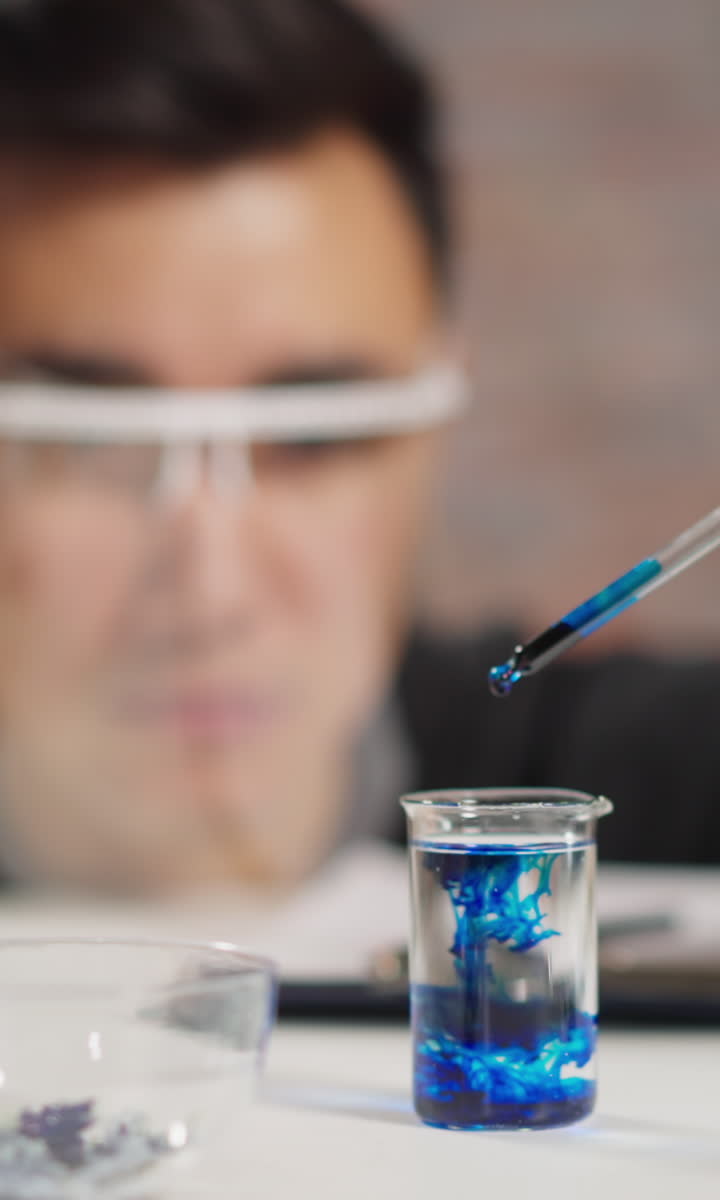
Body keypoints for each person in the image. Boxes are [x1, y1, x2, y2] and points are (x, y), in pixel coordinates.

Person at [0, 0, 717, 900]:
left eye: (313, 435)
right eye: (87, 440)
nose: (210, 589)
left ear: (442, 400)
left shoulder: (646, 790)